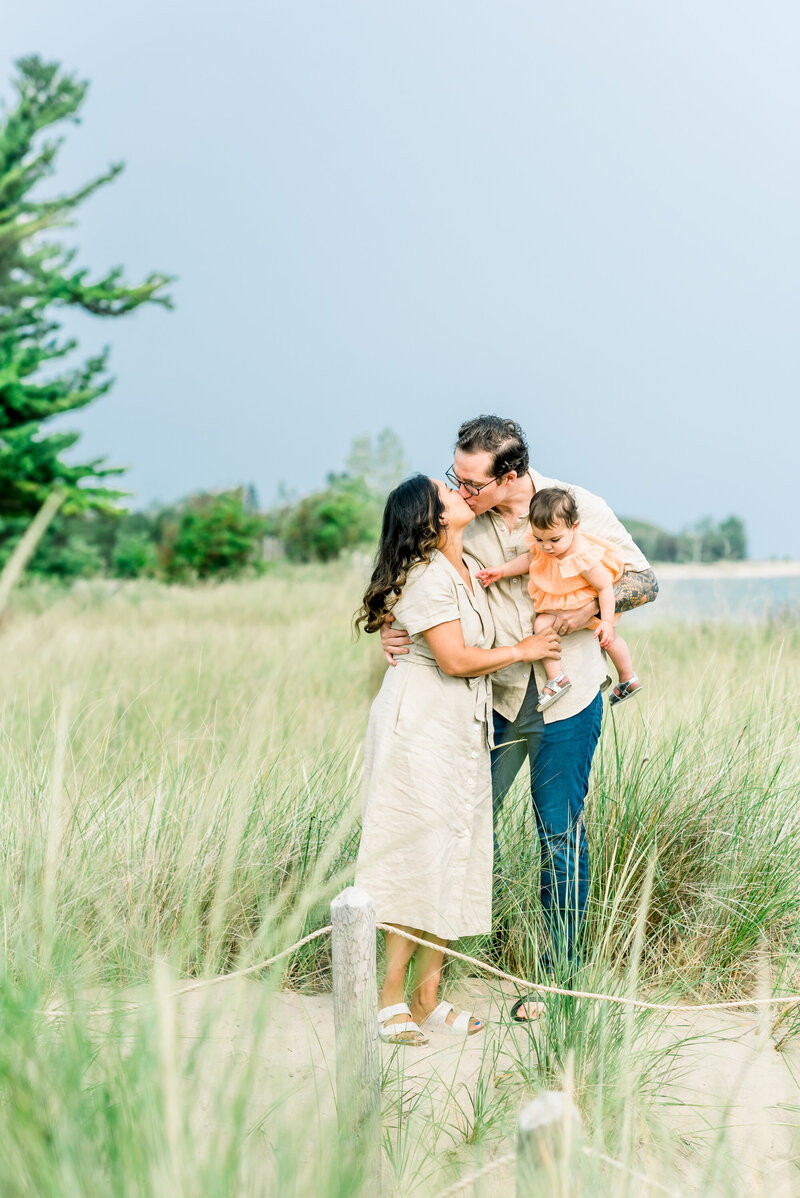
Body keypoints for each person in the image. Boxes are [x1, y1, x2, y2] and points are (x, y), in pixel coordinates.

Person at [381, 417, 657, 1020]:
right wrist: (391, 627)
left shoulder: (576, 505)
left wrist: (579, 614)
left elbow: (642, 579)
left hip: (569, 697)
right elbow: (412, 570)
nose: (460, 486)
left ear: (510, 476)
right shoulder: (458, 515)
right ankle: (430, 988)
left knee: (560, 837)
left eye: (471, 479)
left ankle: (557, 983)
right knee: (459, 833)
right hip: (489, 702)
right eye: (454, 474)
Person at [354, 473, 559, 1045]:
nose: (459, 495)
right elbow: (454, 659)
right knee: (414, 852)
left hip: (460, 725)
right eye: (447, 495)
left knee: (450, 853)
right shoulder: (426, 576)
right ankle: (389, 997)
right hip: (419, 722)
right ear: (433, 517)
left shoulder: (465, 565)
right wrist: (526, 650)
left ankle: (427, 997)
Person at [477, 487, 642, 711]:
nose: (546, 546)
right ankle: (558, 678)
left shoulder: (582, 556)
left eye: (554, 540)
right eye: (539, 538)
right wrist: (501, 571)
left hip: (580, 602)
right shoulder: (545, 545)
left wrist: (606, 620)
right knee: (542, 624)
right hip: (559, 602)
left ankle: (627, 677)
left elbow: (604, 588)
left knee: (608, 639)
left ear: (574, 527)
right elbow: (529, 559)